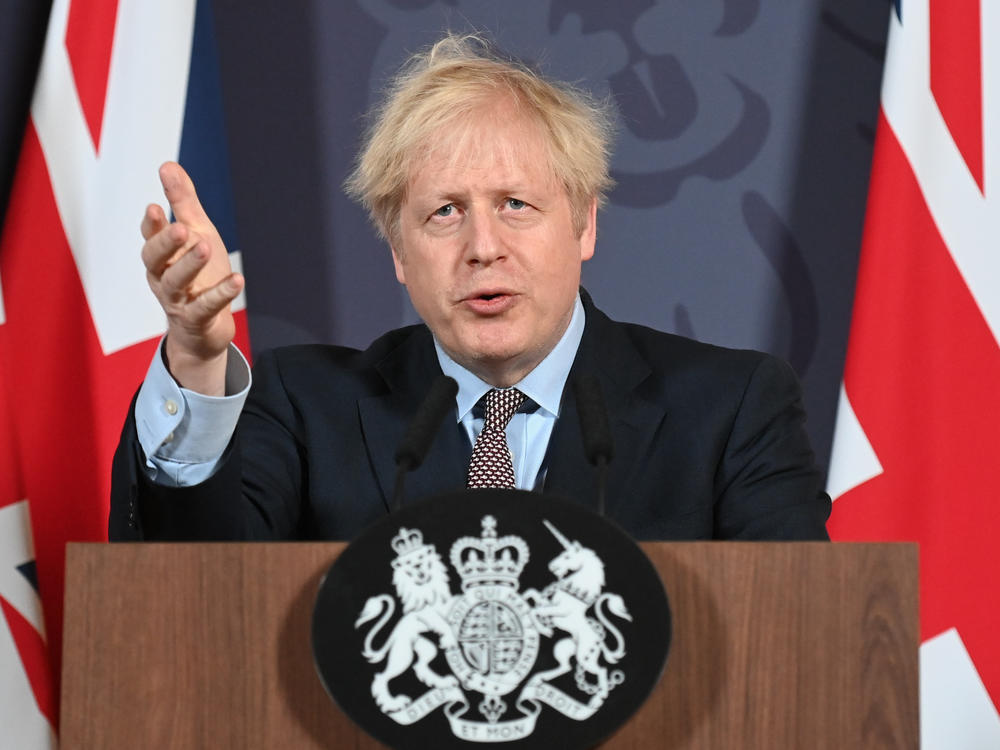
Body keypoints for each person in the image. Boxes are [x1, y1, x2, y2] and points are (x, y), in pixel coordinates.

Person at [109, 34, 830, 542]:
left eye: (516, 204)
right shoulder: (304, 409)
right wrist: (198, 359)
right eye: (444, 212)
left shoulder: (730, 412)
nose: (483, 248)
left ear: (583, 225)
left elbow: (796, 647)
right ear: (398, 249)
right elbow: (193, 603)